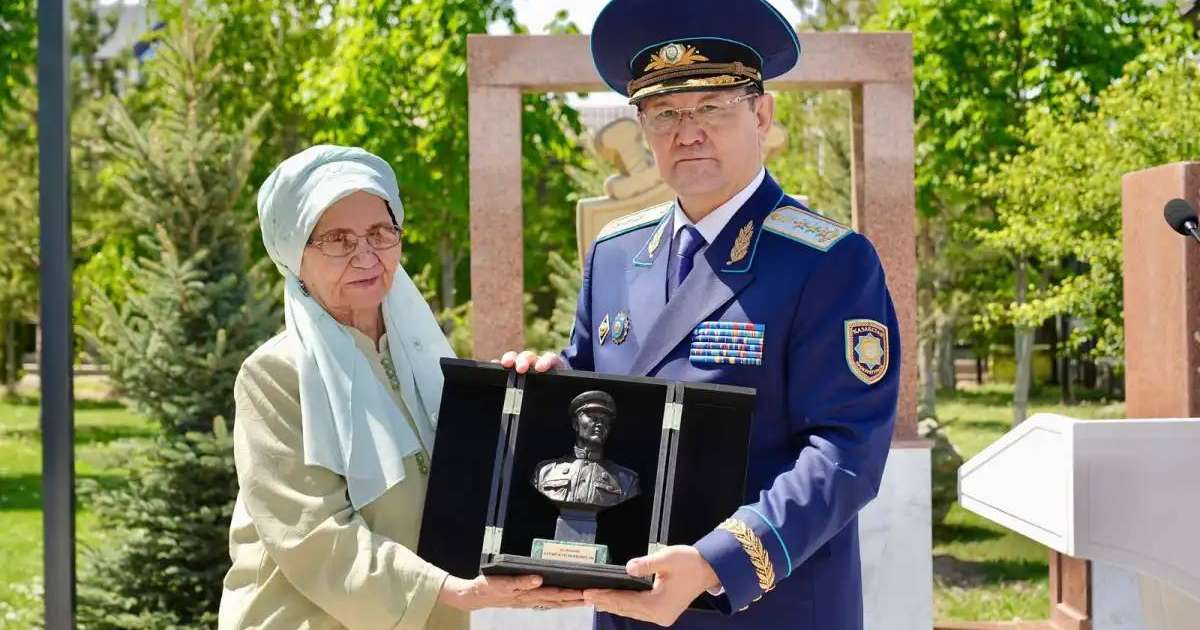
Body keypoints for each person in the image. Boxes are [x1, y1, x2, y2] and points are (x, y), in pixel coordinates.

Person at [501, 1, 901, 628]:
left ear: (761, 114)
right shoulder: (616, 253)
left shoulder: (829, 262)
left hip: (768, 606)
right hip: (628, 601)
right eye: (664, 113)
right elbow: (598, 390)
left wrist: (719, 561)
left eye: (712, 107)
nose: (687, 133)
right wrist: (553, 385)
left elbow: (844, 452)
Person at [219, 146, 582, 630]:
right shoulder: (277, 376)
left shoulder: (420, 356)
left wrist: (536, 401)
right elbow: (313, 538)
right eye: (337, 239)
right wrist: (449, 589)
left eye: (380, 233)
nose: (366, 256)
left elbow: (468, 481)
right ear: (294, 252)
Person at [532, 390, 640, 508]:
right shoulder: (545, 472)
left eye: (604, 421)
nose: (599, 424)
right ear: (575, 424)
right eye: (593, 418)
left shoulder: (626, 480)